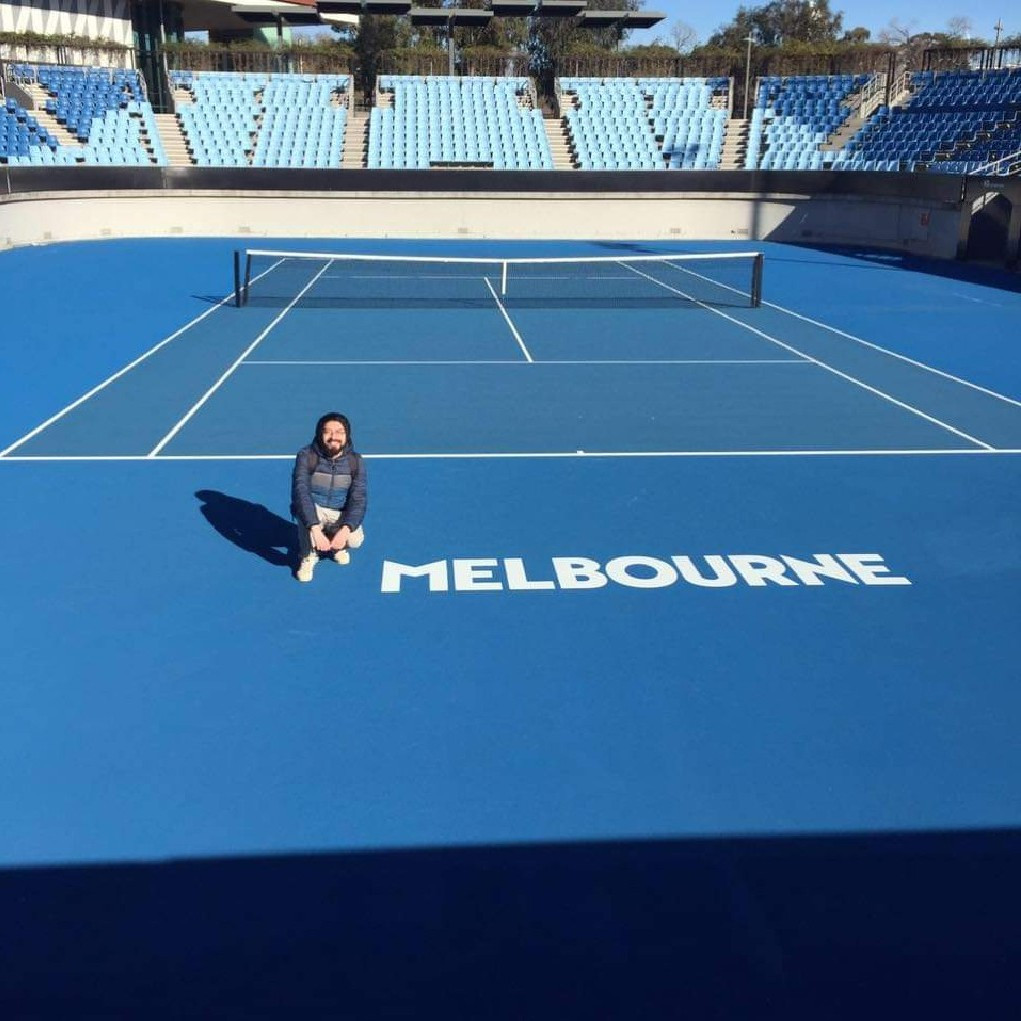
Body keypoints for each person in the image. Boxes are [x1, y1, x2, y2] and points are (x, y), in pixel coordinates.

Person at [291, 411, 367, 583]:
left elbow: (359, 499)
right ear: (320, 434)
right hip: (315, 509)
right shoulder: (306, 456)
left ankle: (335, 544)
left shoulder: (356, 461)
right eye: (328, 432)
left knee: (354, 541)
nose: (334, 437)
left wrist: (345, 530)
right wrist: (315, 530)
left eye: (340, 432)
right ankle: (308, 556)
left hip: (339, 512)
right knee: (303, 511)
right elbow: (301, 493)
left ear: (347, 435)